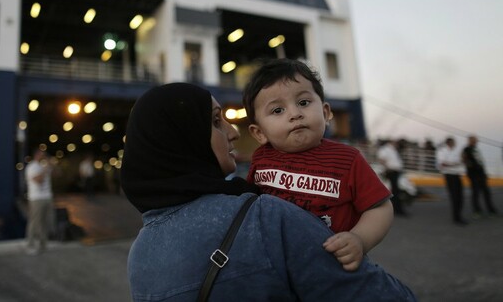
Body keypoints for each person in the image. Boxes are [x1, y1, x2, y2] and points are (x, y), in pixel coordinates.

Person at [121, 82, 416, 301]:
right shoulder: (265, 216)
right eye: (215, 121)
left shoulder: (139, 257)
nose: (233, 131)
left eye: (303, 103)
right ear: (182, 138)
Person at [242, 58, 393, 271]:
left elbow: (380, 207)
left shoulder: (347, 159)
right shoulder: (261, 160)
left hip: (332, 267)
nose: (295, 114)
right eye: (277, 110)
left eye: (303, 102)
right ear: (259, 133)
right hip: (278, 269)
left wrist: (359, 239)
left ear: (325, 113)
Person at [25, 148, 54, 254]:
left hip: (47, 197)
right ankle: (30, 245)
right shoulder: (32, 167)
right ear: (37, 155)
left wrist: (52, 164)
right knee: (34, 222)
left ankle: (43, 244)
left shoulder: (44, 166)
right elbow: (38, 181)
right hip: (36, 198)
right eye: (42, 155)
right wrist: (45, 169)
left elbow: (58, 174)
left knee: (44, 221)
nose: (44, 157)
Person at [462, 135, 498, 217]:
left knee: (486, 192)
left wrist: (484, 173)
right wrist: (470, 166)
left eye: (476, 140)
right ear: (470, 141)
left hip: (481, 174)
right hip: (474, 175)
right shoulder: (466, 149)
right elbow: (464, 159)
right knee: (476, 193)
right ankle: (477, 211)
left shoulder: (476, 149)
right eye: (474, 140)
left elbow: (480, 162)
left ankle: (491, 209)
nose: (476, 141)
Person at [436, 137, 467, 226]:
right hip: (449, 176)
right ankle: (456, 217)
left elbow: (461, 161)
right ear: (449, 143)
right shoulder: (442, 151)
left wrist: (460, 161)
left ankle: (459, 216)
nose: (455, 143)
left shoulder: (456, 151)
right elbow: (443, 164)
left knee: (460, 197)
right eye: (453, 142)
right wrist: (455, 164)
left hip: (457, 175)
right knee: (454, 197)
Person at [377, 139, 410, 217]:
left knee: (395, 191)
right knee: (395, 191)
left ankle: (396, 209)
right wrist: (388, 169)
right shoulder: (385, 149)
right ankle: (398, 209)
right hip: (391, 172)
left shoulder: (393, 150)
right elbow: (381, 160)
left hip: (395, 172)